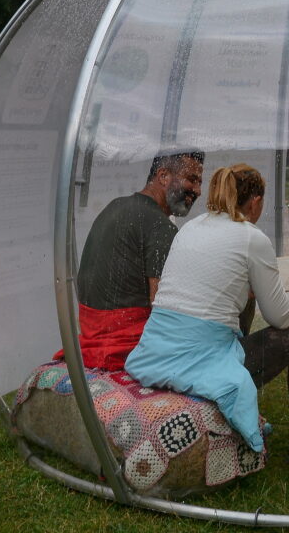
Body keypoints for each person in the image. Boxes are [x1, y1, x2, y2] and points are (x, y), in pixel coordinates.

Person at [125, 163, 289, 461]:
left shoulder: (192, 226)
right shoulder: (251, 237)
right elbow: (280, 317)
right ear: (255, 201)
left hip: (157, 351)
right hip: (199, 358)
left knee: (248, 301)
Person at [55, 149, 204, 370]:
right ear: (163, 176)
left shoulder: (116, 205)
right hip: (123, 343)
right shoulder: (161, 226)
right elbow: (163, 308)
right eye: (192, 180)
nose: (198, 190)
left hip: (91, 333)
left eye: (200, 182)